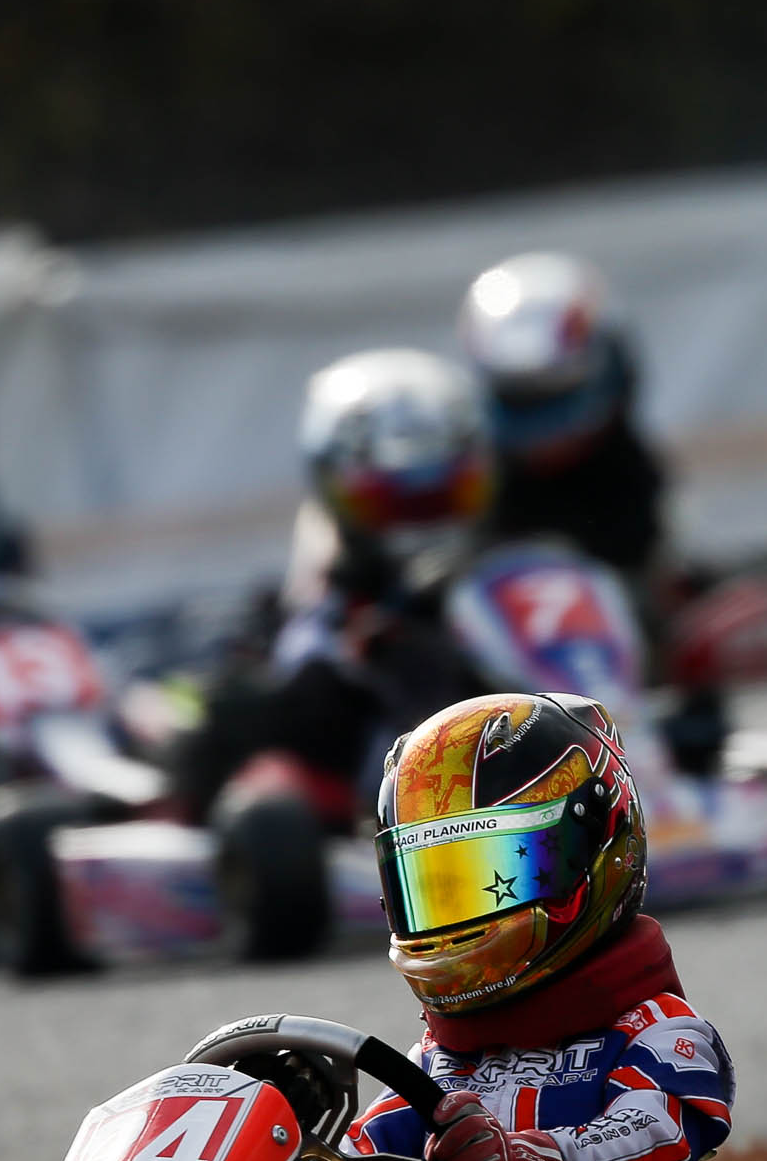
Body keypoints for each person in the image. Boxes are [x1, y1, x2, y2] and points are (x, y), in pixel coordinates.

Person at [0, 689, 734, 1161]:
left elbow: (659, 1132)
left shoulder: (657, 1030)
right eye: (435, 888)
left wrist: (529, 1159)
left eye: (490, 879)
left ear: (588, 853)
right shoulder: (445, 1061)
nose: (459, 917)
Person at [160, 347, 498, 826]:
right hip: (396, 803)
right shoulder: (328, 616)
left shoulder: (508, 580)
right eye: (396, 502)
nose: (420, 522)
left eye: (438, 497)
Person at [457, 251, 667, 576]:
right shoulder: (474, 495)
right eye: (520, 398)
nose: (543, 441)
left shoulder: (638, 489)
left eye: (552, 395)